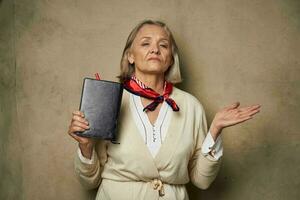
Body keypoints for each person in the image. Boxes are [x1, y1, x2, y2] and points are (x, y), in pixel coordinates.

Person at [68, 19, 261, 200]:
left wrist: (215, 131)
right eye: (145, 43)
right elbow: (89, 181)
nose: (155, 49)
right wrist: (85, 146)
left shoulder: (191, 106)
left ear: (170, 59)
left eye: (163, 45)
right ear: (130, 56)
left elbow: (202, 181)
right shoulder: (109, 100)